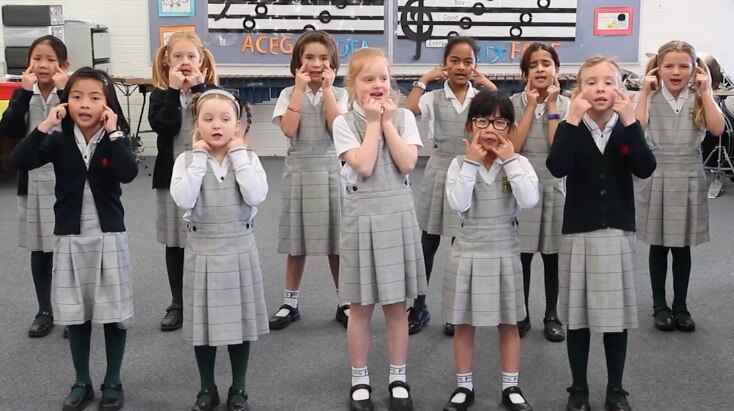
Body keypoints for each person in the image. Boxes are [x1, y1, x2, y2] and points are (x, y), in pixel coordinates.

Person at [11, 67, 138, 411]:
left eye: (95, 98)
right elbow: (19, 159)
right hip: (70, 235)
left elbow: (128, 173)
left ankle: (113, 378)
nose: (85, 104)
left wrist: (114, 134)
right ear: (67, 102)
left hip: (108, 234)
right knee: (76, 313)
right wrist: (45, 125)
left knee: (113, 314)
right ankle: (81, 379)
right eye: (77, 96)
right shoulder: (57, 138)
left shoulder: (116, 138)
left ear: (107, 105)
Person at [546, 56, 656, 411]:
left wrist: (630, 120)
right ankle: (578, 387)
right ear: (578, 90)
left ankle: (616, 388)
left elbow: (644, 167)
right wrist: (573, 120)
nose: (600, 89)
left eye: (609, 82)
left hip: (617, 231)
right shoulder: (571, 127)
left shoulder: (628, 128)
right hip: (579, 232)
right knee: (577, 316)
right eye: (591, 82)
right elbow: (557, 167)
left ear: (621, 88)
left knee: (615, 317)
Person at [332, 47, 427, 411]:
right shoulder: (343, 122)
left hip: (398, 215)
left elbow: (406, 163)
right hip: (362, 218)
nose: (377, 85)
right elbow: (365, 166)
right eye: (368, 79)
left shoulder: (403, 117)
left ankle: (397, 375)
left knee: (396, 305)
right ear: (352, 84)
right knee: (361, 306)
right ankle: (360, 377)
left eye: (383, 78)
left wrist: (387, 122)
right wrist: (372, 123)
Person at [171, 89, 269, 411]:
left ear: (237, 124)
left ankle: (239, 386)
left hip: (240, 249)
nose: (217, 125)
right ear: (196, 124)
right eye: (208, 118)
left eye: (226, 118)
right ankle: (206, 387)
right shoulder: (186, 161)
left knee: (240, 325)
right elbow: (184, 200)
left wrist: (239, 154)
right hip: (203, 252)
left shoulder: (249, 159)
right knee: (204, 327)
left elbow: (255, 196)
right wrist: (199, 159)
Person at [442, 90, 538, 411]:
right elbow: (458, 203)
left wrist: (510, 160)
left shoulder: (519, 163)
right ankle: (463, 385)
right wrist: (470, 163)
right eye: (482, 120)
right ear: (471, 125)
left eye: (499, 122)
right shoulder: (459, 163)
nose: (490, 129)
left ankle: (511, 386)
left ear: (510, 129)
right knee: (464, 323)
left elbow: (528, 200)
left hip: (504, 248)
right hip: (468, 249)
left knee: (508, 323)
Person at [403, 36, 496, 336]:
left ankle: (456, 312)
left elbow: (501, 109)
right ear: (444, 64)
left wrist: (488, 85)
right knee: (427, 244)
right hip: (439, 171)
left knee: (461, 248)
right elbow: (406, 112)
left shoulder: (479, 99)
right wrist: (423, 79)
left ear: (475, 66)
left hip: (470, 172)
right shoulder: (433, 96)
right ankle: (419, 306)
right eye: (454, 60)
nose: (461, 67)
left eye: (468, 61)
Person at [634, 40, 725, 332]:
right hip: (656, 174)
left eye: (684, 66)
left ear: (694, 69)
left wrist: (707, 90)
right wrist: (644, 94)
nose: (676, 72)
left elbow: (717, 128)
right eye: (668, 66)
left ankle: (681, 305)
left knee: (682, 245)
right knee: (659, 244)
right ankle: (659, 305)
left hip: (688, 174)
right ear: (657, 69)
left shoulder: (699, 96)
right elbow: (636, 130)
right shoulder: (652, 95)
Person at [269, 30, 350, 330]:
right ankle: (290, 302)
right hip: (299, 171)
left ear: (333, 64)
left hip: (331, 170)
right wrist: (300, 90)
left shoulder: (341, 94)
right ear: (297, 64)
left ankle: (345, 301)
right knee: (296, 242)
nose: (316, 64)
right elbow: (289, 130)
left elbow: (337, 129)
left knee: (336, 242)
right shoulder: (288, 94)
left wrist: (328, 90)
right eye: (309, 58)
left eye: (323, 58)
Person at [149, 31, 218, 332]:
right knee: (175, 242)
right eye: (178, 56)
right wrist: (173, 92)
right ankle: (177, 302)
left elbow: (215, 122)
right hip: (171, 176)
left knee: (206, 240)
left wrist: (199, 88)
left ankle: (209, 299)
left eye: (191, 56)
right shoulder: (159, 95)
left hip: (208, 178)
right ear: (166, 60)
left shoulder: (212, 92)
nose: (185, 62)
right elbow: (164, 126)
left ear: (201, 59)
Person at [0, 35, 69, 338]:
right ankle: (44, 310)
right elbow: (10, 133)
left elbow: (79, 127)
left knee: (70, 248)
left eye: (51, 59)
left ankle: (74, 311)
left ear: (63, 64)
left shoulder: (71, 90)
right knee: (40, 249)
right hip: (33, 181)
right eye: (37, 58)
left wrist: (66, 89)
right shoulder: (23, 93)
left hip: (67, 181)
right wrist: (23, 94)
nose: (43, 65)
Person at [509, 43, 570, 342]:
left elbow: (557, 149)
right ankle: (520, 313)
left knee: (552, 255)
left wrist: (553, 105)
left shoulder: (570, 105)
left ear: (557, 70)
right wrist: (532, 106)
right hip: (521, 182)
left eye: (547, 63)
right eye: (534, 65)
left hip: (553, 182)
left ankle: (551, 314)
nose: (541, 69)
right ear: (525, 73)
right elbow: (514, 147)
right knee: (521, 255)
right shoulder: (512, 103)